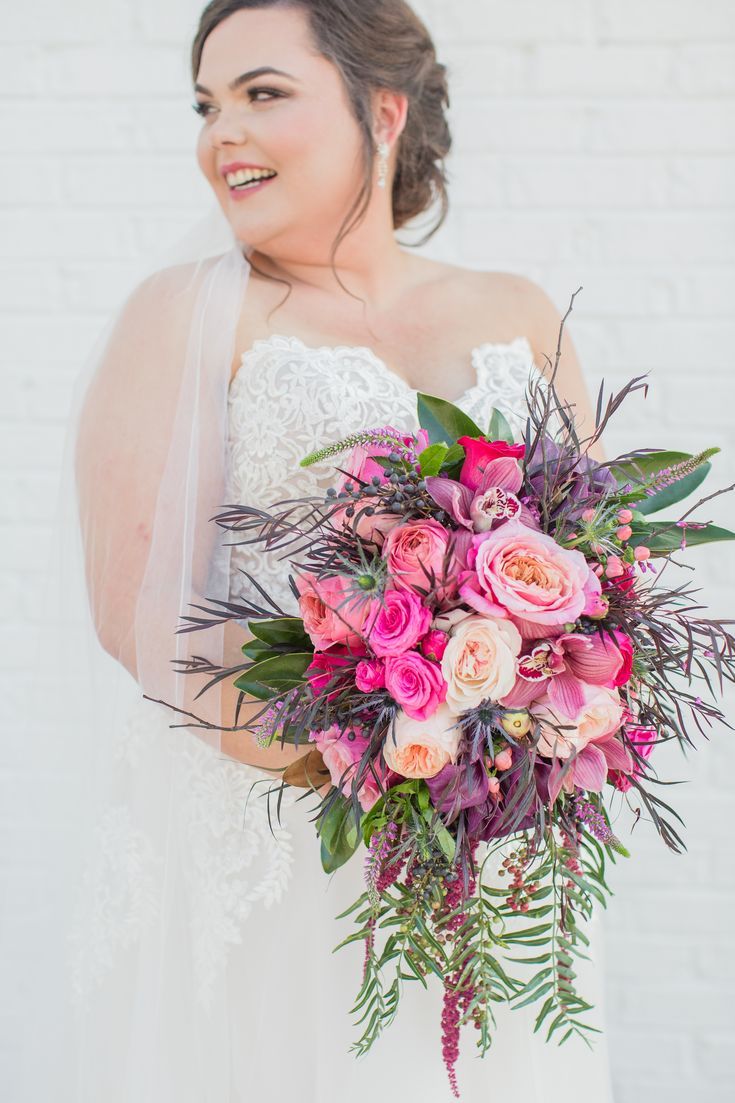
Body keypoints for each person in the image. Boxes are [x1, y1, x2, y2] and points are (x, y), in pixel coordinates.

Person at [16, 2, 617, 1100]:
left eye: (262, 94)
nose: (219, 136)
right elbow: (136, 605)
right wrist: (363, 757)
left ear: (383, 111)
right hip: (287, 838)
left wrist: (517, 729)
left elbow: (598, 573)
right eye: (206, 106)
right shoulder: (189, 315)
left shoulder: (521, 312)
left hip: (494, 846)